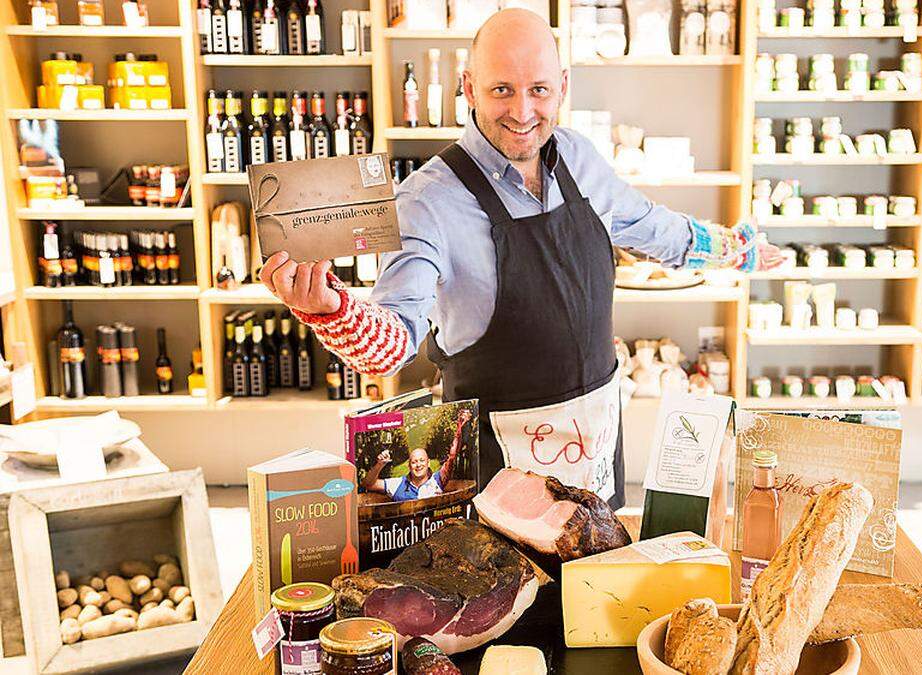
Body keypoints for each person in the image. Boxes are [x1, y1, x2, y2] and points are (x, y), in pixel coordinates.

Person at [260, 8, 782, 510]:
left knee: (592, 586)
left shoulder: (578, 157)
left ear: (563, 87)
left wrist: (738, 250)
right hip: (497, 474)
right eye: (501, 90)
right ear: (468, 88)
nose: (523, 111)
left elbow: (651, 227)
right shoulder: (428, 199)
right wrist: (332, 311)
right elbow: (392, 344)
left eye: (539, 90)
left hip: (594, 452)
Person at [365, 408, 471, 502]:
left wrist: (459, 428)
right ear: (409, 466)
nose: (418, 465)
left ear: (428, 463)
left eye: (421, 460)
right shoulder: (397, 484)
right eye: (414, 462)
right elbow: (370, 484)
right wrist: (379, 464)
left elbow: (452, 456)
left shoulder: (438, 480)